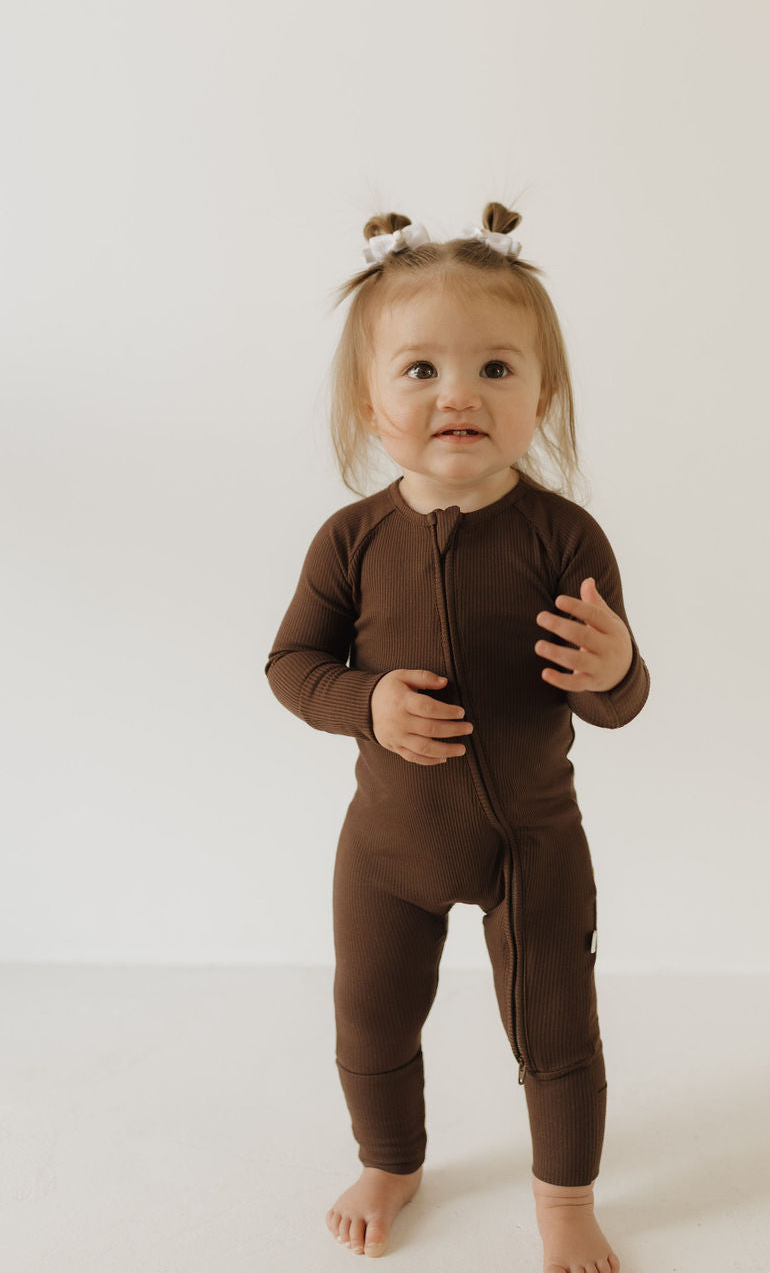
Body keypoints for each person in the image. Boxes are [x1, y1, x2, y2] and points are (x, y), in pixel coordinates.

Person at [264, 202, 650, 1270]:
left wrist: (617, 670)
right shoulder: (350, 540)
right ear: (369, 400)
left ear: (541, 395)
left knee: (557, 1034)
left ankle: (564, 1203)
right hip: (388, 848)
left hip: (531, 844)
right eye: (421, 369)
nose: (458, 395)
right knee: (371, 1026)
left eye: (493, 369)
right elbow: (292, 667)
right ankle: (390, 1160)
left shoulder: (562, 536)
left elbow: (613, 701)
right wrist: (367, 700)